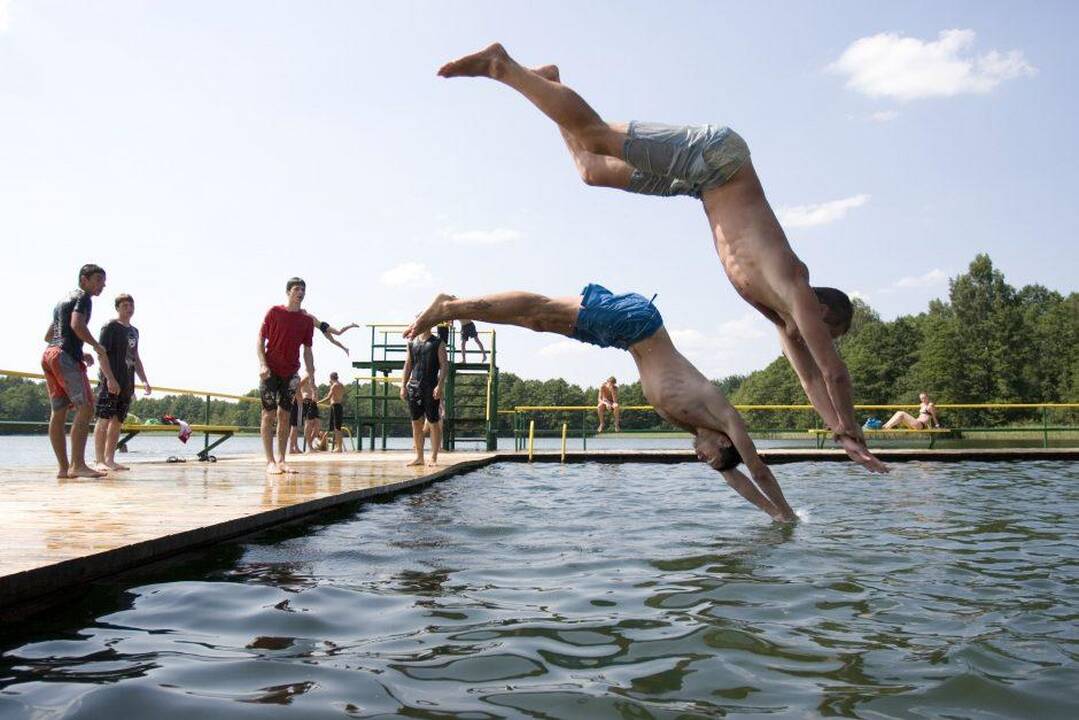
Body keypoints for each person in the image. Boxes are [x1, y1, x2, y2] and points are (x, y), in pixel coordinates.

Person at [438, 44, 886, 474]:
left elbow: (810, 379)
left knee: (591, 170)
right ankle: (503, 65)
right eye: (831, 332)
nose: (821, 340)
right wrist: (854, 433)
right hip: (718, 158)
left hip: (700, 184)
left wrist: (839, 433)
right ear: (824, 311)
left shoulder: (780, 317)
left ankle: (549, 81)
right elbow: (833, 374)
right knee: (596, 135)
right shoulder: (797, 290)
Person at [405, 286, 798, 522]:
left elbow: (735, 477)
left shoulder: (694, 427)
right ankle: (449, 308)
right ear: (726, 444)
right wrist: (788, 511)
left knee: (537, 322)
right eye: (710, 457)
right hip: (637, 321)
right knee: (540, 307)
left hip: (623, 335)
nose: (702, 459)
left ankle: (456, 305)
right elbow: (757, 469)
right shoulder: (724, 418)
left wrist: (772, 518)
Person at [41, 264, 120, 479]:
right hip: (64, 357)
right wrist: (95, 345)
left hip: (50, 355)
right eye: (97, 280)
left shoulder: (61, 302)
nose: (102, 285)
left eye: (103, 281)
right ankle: (78, 465)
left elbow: (50, 335)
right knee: (85, 407)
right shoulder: (83, 298)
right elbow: (76, 325)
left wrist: (78, 351)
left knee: (58, 412)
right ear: (83, 280)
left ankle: (64, 469)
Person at [257, 277, 319, 474]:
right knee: (268, 414)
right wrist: (262, 364)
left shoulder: (306, 320)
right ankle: (270, 462)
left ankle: (282, 460)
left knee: (285, 415)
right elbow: (260, 339)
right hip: (270, 370)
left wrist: (312, 375)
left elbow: (307, 350)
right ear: (288, 292)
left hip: (291, 372)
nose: (300, 292)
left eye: (303, 289)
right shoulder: (274, 312)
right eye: (296, 289)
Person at [92, 293, 152, 471]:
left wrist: (144, 380)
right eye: (125, 305)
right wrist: (109, 378)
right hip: (111, 379)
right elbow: (101, 353)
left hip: (127, 381)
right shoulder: (110, 326)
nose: (129, 308)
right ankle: (99, 460)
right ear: (117, 308)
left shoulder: (134, 331)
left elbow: (136, 357)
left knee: (118, 420)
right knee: (104, 418)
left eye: (131, 305)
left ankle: (110, 459)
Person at [400, 325, 448, 467]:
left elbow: (444, 365)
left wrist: (440, 385)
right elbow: (407, 365)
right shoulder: (411, 343)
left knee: (433, 422)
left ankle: (433, 457)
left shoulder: (437, 342)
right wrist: (403, 385)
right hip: (414, 386)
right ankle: (419, 457)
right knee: (415, 422)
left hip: (431, 386)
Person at [318, 371, 347, 453]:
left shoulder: (334, 386)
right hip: (339, 406)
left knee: (337, 428)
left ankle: (339, 448)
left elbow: (328, 397)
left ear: (331, 378)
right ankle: (337, 447)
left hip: (335, 406)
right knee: (336, 428)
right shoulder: (341, 385)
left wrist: (318, 402)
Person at [300, 375, 323, 451]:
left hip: (314, 404)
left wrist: (316, 396)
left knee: (318, 425)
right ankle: (310, 446)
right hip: (306, 401)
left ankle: (310, 444)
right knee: (308, 423)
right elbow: (298, 387)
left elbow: (317, 396)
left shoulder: (314, 385)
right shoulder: (305, 380)